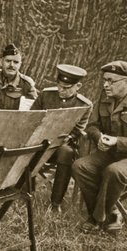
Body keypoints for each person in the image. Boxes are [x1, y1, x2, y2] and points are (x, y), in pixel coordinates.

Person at [72, 60, 127, 233]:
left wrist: (117, 141)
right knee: (80, 166)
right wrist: (99, 137)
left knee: (114, 171)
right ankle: (111, 213)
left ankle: (96, 219)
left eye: (111, 81)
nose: (106, 84)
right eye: (105, 80)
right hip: (110, 154)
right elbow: (92, 126)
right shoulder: (105, 98)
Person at [31, 64, 92, 213]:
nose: (61, 90)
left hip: (59, 146)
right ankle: (25, 188)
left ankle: (56, 202)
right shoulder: (46, 95)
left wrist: (69, 137)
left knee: (67, 152)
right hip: (38, 142)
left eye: (66, 87)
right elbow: (32, 117)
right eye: (59, 85)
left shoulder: (84, 105)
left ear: (78, 86)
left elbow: (79, 129)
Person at [0, 43, 38, 110]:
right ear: (1, 62)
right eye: (8, 61)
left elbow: (34, 110)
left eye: (16, 62)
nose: (12, 65)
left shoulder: (26, 83)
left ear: (20, 65)